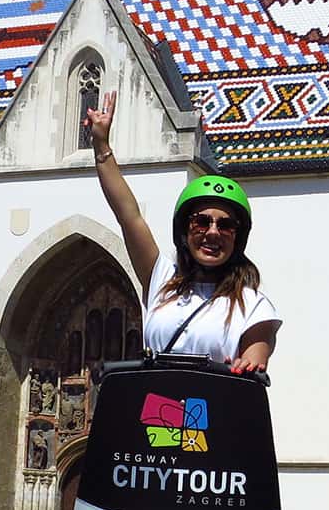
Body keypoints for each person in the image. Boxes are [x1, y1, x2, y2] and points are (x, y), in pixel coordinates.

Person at [85, 92, 281, 369]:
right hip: (155, 408)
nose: (212, 232)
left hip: (213, 408)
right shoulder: (162, 280)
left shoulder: (254, 306)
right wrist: (101, 145)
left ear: (238, 237)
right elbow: (128, 216)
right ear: (185, 231)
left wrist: (246, 366)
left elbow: (255, 362)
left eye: (225, 225)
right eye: (201, 221)